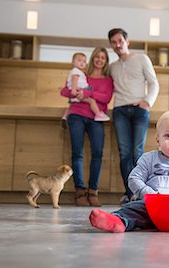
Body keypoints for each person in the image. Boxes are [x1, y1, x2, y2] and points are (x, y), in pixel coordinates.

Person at [108, 28, 160, 205]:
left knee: (138, 153)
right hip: (120, 110)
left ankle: (140, 193)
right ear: (111, 45)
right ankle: (130, 193)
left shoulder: (141, 58)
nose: (117, 45)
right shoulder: (112, 67)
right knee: (124, 153)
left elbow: (154, 83)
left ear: (127, 42)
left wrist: (148, 102)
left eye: (120, 41)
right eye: (113, 42)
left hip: (139, 110)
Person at [60, 47, 113, 207]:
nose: (99, 60)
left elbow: (107, 98)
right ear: (92, 59)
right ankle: (80, 191)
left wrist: (88, 94)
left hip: (97, 118)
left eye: (103, 57)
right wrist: (77, 93)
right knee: (77, 154)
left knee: (97, 153)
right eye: (97, 57)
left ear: (106, 61)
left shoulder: (108, 80)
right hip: (77, 115)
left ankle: (93, 192)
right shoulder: (82, 73)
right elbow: (64, 91)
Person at [61, 52, 109, 125]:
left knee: (71, 105)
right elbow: (72, 81)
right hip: (79, 93)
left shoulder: (79, 72)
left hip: (79, 92)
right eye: (79, 60)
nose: (82, 63)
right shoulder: (76, 71)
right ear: (73, 62)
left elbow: (106, 98)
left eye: (84, 61)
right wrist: (74, 89)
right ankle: (98, 114)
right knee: (91, 101)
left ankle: (65, 117)